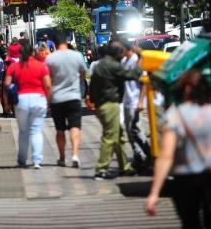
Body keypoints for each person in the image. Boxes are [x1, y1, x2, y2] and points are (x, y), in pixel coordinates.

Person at [146, 69, 211, 229]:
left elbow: (166, 156)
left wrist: (154, 193)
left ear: (185, 90)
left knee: (190, 223)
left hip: (185, 180)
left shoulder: (175, 115)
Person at [88, 41, 142, 180]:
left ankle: (125, 167)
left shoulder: (101, 64)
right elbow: (131, 75)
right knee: (110, 137)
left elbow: (92, 85)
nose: (123, 56)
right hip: (110, 104)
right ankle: (101, 169)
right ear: (118, 53)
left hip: (102, 104)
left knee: (118, 136)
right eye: (122, 53)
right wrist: (141, 61)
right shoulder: (112, 65)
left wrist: (94, 102)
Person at [4, 44, 52, 169]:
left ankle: (22, 159)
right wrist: (48, 101)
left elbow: (7, 84)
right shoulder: (41, 66)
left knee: (23, 131)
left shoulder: (14, 66)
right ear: (32, 53)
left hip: (21, 100)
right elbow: (47, 85)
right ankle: (36, 160)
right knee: (36, 131)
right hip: (39, 99)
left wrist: (7, 103)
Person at [45, 32, 87, 168]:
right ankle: (75, 155)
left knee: (60, 129)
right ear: (67, 42)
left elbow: (48, 80)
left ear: (54, 44)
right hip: (74, 97)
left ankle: (62, 157)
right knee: (75, 126)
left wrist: (48, 99)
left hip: (57, 98)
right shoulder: (77, 56)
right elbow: (83, 74)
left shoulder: (50, 59)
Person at [121, 42, 151, 171]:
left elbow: (144, 83)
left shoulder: (136, 61)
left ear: (127, 49)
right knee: (129, 130)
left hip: (135, 101)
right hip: (126, 101)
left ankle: (148, 154)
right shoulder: (123, 61)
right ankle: (138, 156)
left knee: (137, 130)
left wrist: (140, 102)